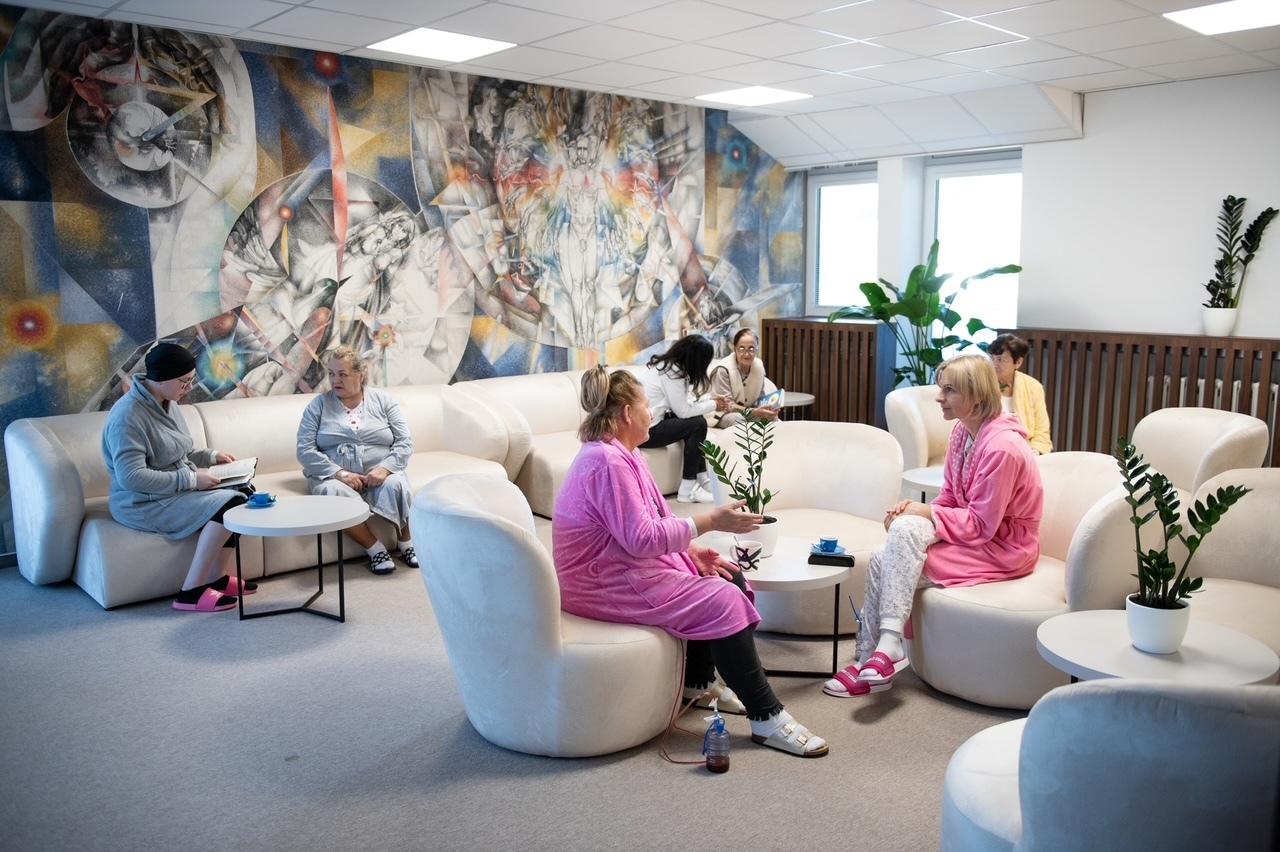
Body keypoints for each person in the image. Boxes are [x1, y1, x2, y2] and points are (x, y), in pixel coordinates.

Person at [553, 367, 829, 758]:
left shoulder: (623, 454)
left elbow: (654, 520)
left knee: (727, 575)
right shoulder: (607, 462)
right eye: (646, 405)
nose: (652, 413)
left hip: (621, 565)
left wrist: (692, 551)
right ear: (628, 414)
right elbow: (642, 538)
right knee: (723, 601)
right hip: (601, 583)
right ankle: (767, 717)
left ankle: (698, 683)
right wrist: (710, 521)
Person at [823, 354, 1043, 698]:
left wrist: (923, 512)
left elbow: (981, 525)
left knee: (891, 554)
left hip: (1003, 547)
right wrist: (914, 513)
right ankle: (879, 652)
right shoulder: (961, 433)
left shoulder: (1003, 448)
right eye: (942, 389)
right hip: (973, 535)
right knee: (893, 543)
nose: (939, 398)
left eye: (949, 390)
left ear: (977, 396)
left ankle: (880, 652)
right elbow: (951, 498)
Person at [102, 342, 257, 613]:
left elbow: (177, 451)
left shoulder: (167, 402)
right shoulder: (127, 417)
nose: (189, 387)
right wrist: (191, 480)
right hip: (141, 502)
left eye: (191, 380)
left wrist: (212, 456)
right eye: (184, 381)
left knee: (245, 493)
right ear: (161, 378)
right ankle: (191, 592)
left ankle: (217, 579)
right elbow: (131, 477)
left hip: (172, 491)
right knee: (231, 504)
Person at [296, 346, 417, 575]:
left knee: (398, 483)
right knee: (330, 491)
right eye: (331, 374)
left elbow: (405, 442)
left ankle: (406, 542)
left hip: (379, 474)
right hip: (335, 477)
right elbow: (304, 450)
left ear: (360, 375)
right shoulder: (318, 406)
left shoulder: (384, 401)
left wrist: (385, 469)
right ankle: (375, 549)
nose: (335, 380)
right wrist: (340, 473)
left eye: (342, 374)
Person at [639, 334, 730, 503]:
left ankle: (702, 481)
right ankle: (688, 490)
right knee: (698, 424)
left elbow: (681, 405)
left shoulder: (668, 366)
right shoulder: (673, 374)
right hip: (645, 432)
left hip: (648, 424)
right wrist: (714, 404)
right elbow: (683, 412)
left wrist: (710, 402)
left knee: (696, 423)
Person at [988, 333, 1052, 455]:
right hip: (991, 449)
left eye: (1000, 360)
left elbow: (1041, 430)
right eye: (992, 358)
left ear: (1018, 362)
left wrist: (1034, 452)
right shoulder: (983, 385)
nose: (994, 365)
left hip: (1026, 450)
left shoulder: (1033, 387)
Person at [708, 328, 781, 429]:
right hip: (723, 414)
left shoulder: (759, 366)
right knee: (739, 420)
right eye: (742, 349)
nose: (746, 354)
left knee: (773, 419)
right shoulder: (722, 369)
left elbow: (760, 398)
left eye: (751, 349)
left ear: (756, 349)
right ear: (735, 349)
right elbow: (726, 406)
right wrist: (754, 412)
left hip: (751, 412)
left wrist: (767, 409)